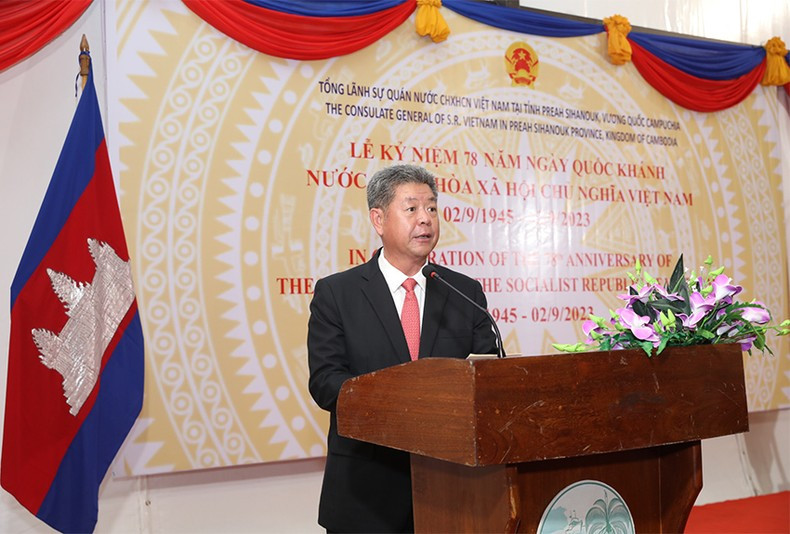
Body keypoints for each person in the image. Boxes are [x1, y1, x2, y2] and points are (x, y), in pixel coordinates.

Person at [307, 164, 498, 533]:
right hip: (366, 493)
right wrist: (403, 405)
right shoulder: (338, 294)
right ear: (378, 220)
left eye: (431, 208)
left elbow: (487, 377)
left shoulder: (464, 292)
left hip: (453, 491)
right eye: (411, 209)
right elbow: (327, 382)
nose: (425, 220)